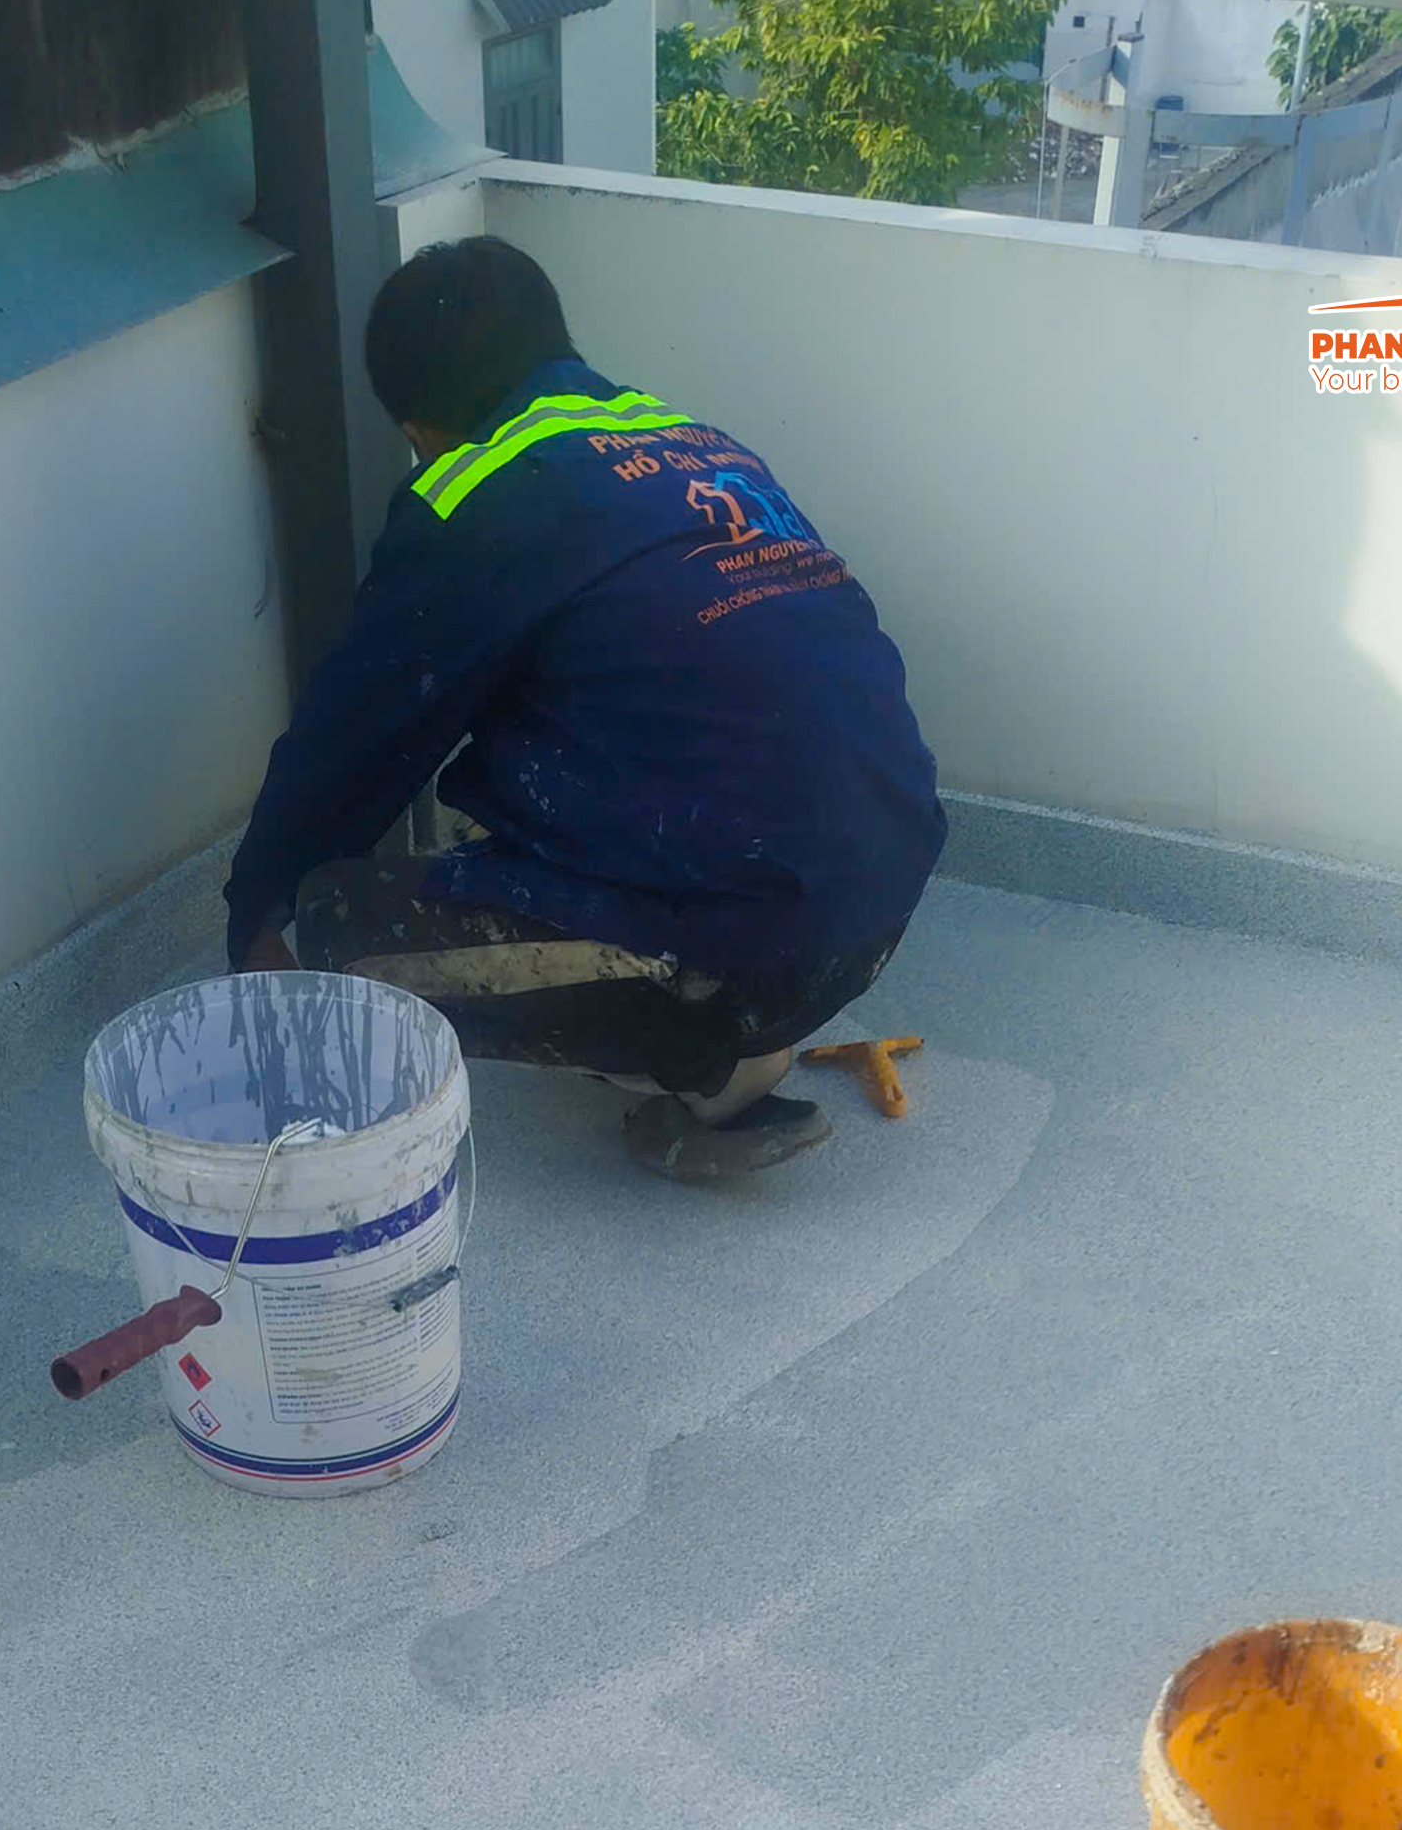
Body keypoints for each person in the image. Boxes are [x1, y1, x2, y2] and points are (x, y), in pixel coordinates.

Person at [224, 237, 946, 1183]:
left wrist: (253, 920)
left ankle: (712, 1053)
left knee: (335, 929)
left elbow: (353, 745)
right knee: (547, 755)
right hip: (884, 895)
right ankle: (718, 996)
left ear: (418, 423)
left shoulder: (480, 493)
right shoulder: (695, 444)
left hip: (761, 939)